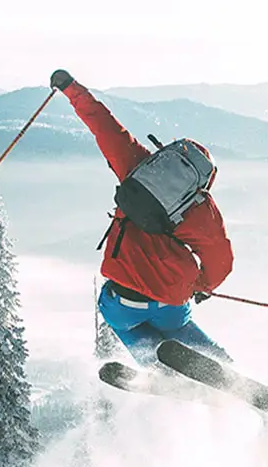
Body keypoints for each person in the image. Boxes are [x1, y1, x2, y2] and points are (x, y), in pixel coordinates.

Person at [50, 69, 234, 366]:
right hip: (172, 299)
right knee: (179, 326)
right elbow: (220, 259)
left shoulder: (136, 166)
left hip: (125, 300)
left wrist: (70, 88)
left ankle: (154, 368)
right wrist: (202, 285)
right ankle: (224, 366)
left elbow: (104, 125)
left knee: (122, 321)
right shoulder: (202, 209)